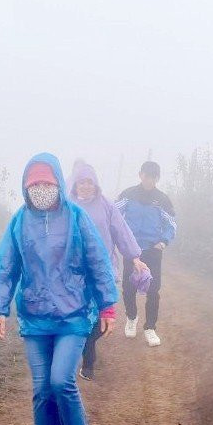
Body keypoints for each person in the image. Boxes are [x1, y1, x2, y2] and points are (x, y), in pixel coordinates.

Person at [0, 152, 117, 425]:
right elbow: (5, 266)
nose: (41, 189)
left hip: (73, 315)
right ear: (25, 188)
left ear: (59, 183)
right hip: (35, 318)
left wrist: (107, 305)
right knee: (42, 388)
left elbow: (98, 261)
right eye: (35, 185)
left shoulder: (76, 217)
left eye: (47, 183)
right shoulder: (19, 221)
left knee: (61, 379)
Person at [66, 159, 149, 380]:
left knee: (103, 319)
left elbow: (121, 231)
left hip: (103, 270)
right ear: (75, 184)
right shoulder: (65, 206)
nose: (86, 186)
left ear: (96, 184)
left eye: (90, 182)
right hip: (75, 273)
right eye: (82, 182)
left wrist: (134, 257)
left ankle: (86, 346)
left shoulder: (106, 205)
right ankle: (88, 362)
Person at [116, 160, 176, 347]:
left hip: (152, 250)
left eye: (153, 176)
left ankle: (150, 328)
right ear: (140, 174)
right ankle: (131, 317)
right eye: (146, 175)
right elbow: (113, 216)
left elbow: (172, 223)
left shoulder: (162, 199)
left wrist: (164, 241)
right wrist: (119, 238)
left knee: (153, 289)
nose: (149, 179)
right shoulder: (128, 194)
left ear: (157, 178)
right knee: (128, 287)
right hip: (131, 249)